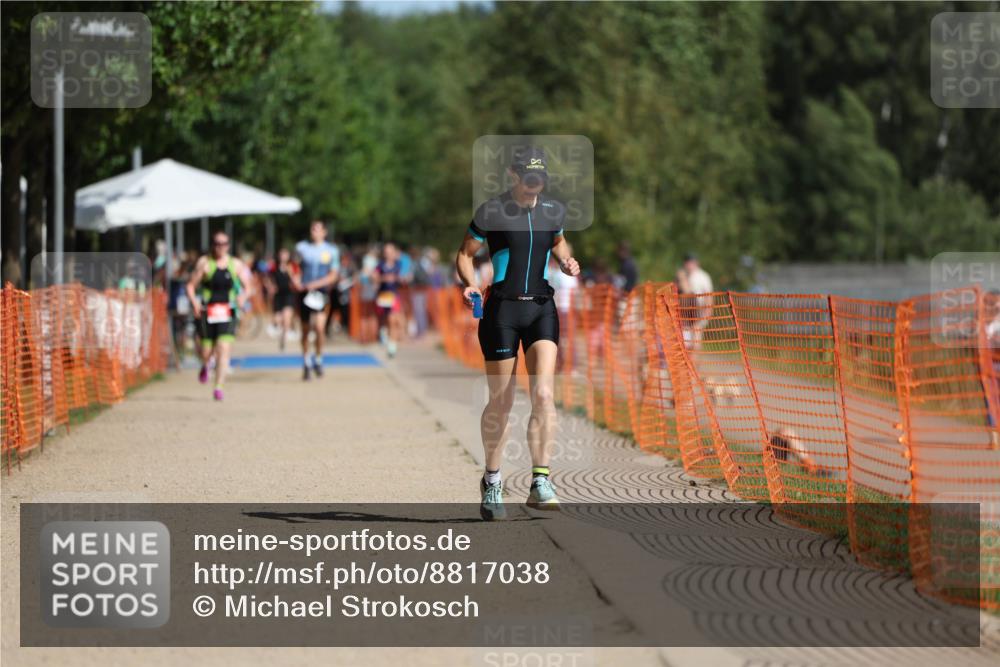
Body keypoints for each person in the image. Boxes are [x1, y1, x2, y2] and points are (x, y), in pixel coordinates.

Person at [455, 146, 581, 520]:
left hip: (541, 307)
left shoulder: (553, 211)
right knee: (502, 402)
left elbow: (558, 240)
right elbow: (465, 254)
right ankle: (492, 480)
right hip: (502, 311)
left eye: (539, 178)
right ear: (513, 174)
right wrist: (470, 283)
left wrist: (566, 260)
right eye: (528, 177)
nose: (534, 184)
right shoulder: (492, 211)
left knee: (544, 393)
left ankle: (540, 480)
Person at [186, 231, 252, 401]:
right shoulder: (205, 263)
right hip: (207, 312)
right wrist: (195, 303)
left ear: (228, 246)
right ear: (212, 245)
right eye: (217, 244)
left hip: (228, 312)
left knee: (223, 348)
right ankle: (205, 364)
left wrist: (242, 298)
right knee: (206, 350)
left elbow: (248, 287)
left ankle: (219, 387)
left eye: (224, 244)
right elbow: (190, 286)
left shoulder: (235, 264)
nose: (220, 247)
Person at [294, 221, 340, 380]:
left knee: (319, 328)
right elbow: (293, 267)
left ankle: (319, 358)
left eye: (318, 229)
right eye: (313, 229)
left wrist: (316, 284)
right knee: (305, 330)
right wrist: (296, 281)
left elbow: (333, 275)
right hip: (304, 292)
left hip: (320, 293)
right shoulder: (302, 248)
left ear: (324, 232)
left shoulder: (331, 251)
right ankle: (306, 361)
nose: (315, 232)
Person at [374, 242, 405, 358]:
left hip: (394, 295)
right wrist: (383, 278)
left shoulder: (398, 264)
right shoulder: (380, 265)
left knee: (393, 320)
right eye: (386, 252)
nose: (389, 254)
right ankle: (383, 333)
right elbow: (374, 277)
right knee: (384, 320)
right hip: (383, 296)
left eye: (391, 252)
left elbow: (403, 277)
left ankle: (392, 346)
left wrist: (399, 279)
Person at [680, 252, 713, 350]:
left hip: (699, 310)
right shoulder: (682, 275)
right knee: (685, 340)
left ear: (696, 263)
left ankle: (694, 359)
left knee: (696, 338)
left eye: (691, 262)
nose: (689, 264)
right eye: (687, 262)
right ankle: (689, 358)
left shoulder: (703, 276)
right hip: (684, 311)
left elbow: (708, 295)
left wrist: (708, 310)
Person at [268, 248, 298, 351]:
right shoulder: (274, 267)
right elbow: (268, 278)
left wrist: (290, 273)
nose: (283, 257)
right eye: (282, 254)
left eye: (285, 255)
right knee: (277, 318)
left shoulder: (292, 267)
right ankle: (279, 329)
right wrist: (270, 286)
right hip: (278, 295)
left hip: (289, 294)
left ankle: (284, 339)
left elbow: (296, 281)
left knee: (287, 318)